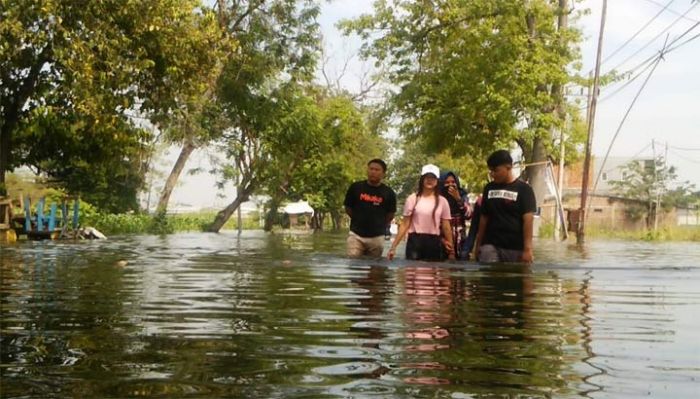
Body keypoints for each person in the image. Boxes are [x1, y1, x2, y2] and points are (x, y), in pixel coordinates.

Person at [474, 150, 536, 263]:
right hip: (491, 246)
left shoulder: (524, 190)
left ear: (508, 167)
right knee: (491, 275)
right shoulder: (489, 188)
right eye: (490, 171)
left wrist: (528, 250)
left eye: (496, 170)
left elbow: (528, 220)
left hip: (516, 248)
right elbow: (483, 219)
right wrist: (478, 245)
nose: (492, 174)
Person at [387, 164, 455, 261]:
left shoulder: (442, 201)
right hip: (415, 241)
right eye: (427, 177)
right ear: (422, 179)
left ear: (437, 181)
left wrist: (451, 250)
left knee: (432, 273)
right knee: (412, 272)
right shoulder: (412, 199)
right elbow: (405, 224)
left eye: (433, 178)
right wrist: (393, 247)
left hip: (434, 242)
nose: (429, 180)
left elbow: (446, 227)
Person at [344, 159, 397, 258]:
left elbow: (390, 214)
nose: (373, 172)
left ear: (383, 173)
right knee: (354, 262)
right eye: (371, 169)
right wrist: (357, 218)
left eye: (377, 170)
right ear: (367, 170)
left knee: (375, 268)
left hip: (377, 237)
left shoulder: (389, 193)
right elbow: (348, 208)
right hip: (356, 234)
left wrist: (379, 223)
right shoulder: (355, 188)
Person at [439, 171, 471, 260]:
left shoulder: (462, 195)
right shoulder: (438, 198)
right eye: (447, 183)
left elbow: (468, 214)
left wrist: (458, 199)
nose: (450, 185)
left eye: (453, 182)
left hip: (460, 239)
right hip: (442, 239)